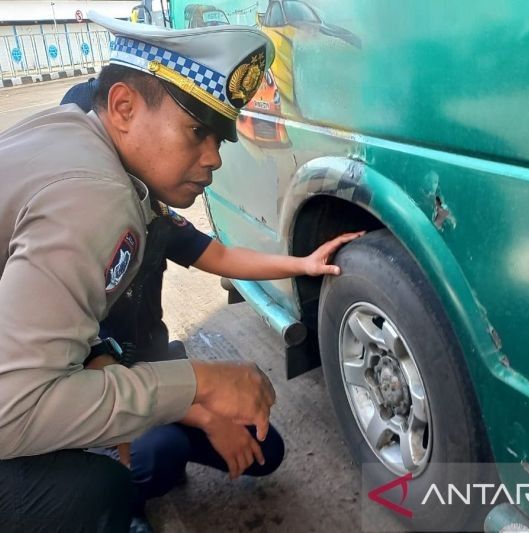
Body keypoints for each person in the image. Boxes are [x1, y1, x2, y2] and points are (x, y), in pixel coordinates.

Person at [0, 17, 280, 531]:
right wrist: (198, 382)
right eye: (197, 131)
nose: (213, 158)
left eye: (220, 139)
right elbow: (10, 417)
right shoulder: (96, 193)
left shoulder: (66, 136)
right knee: (90, 494)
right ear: (123, 108)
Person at [61, 75, 362, 533]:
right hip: (108, 404)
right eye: (195, 133)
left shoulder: (150, 213)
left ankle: (161, 446)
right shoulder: (62, 245)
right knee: (158, 454)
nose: (212, 159)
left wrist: (302, 262)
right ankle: (120, 502)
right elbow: (98, 375)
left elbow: (220, 255)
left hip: (161, 380)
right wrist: (205, 417)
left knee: (267, 451)